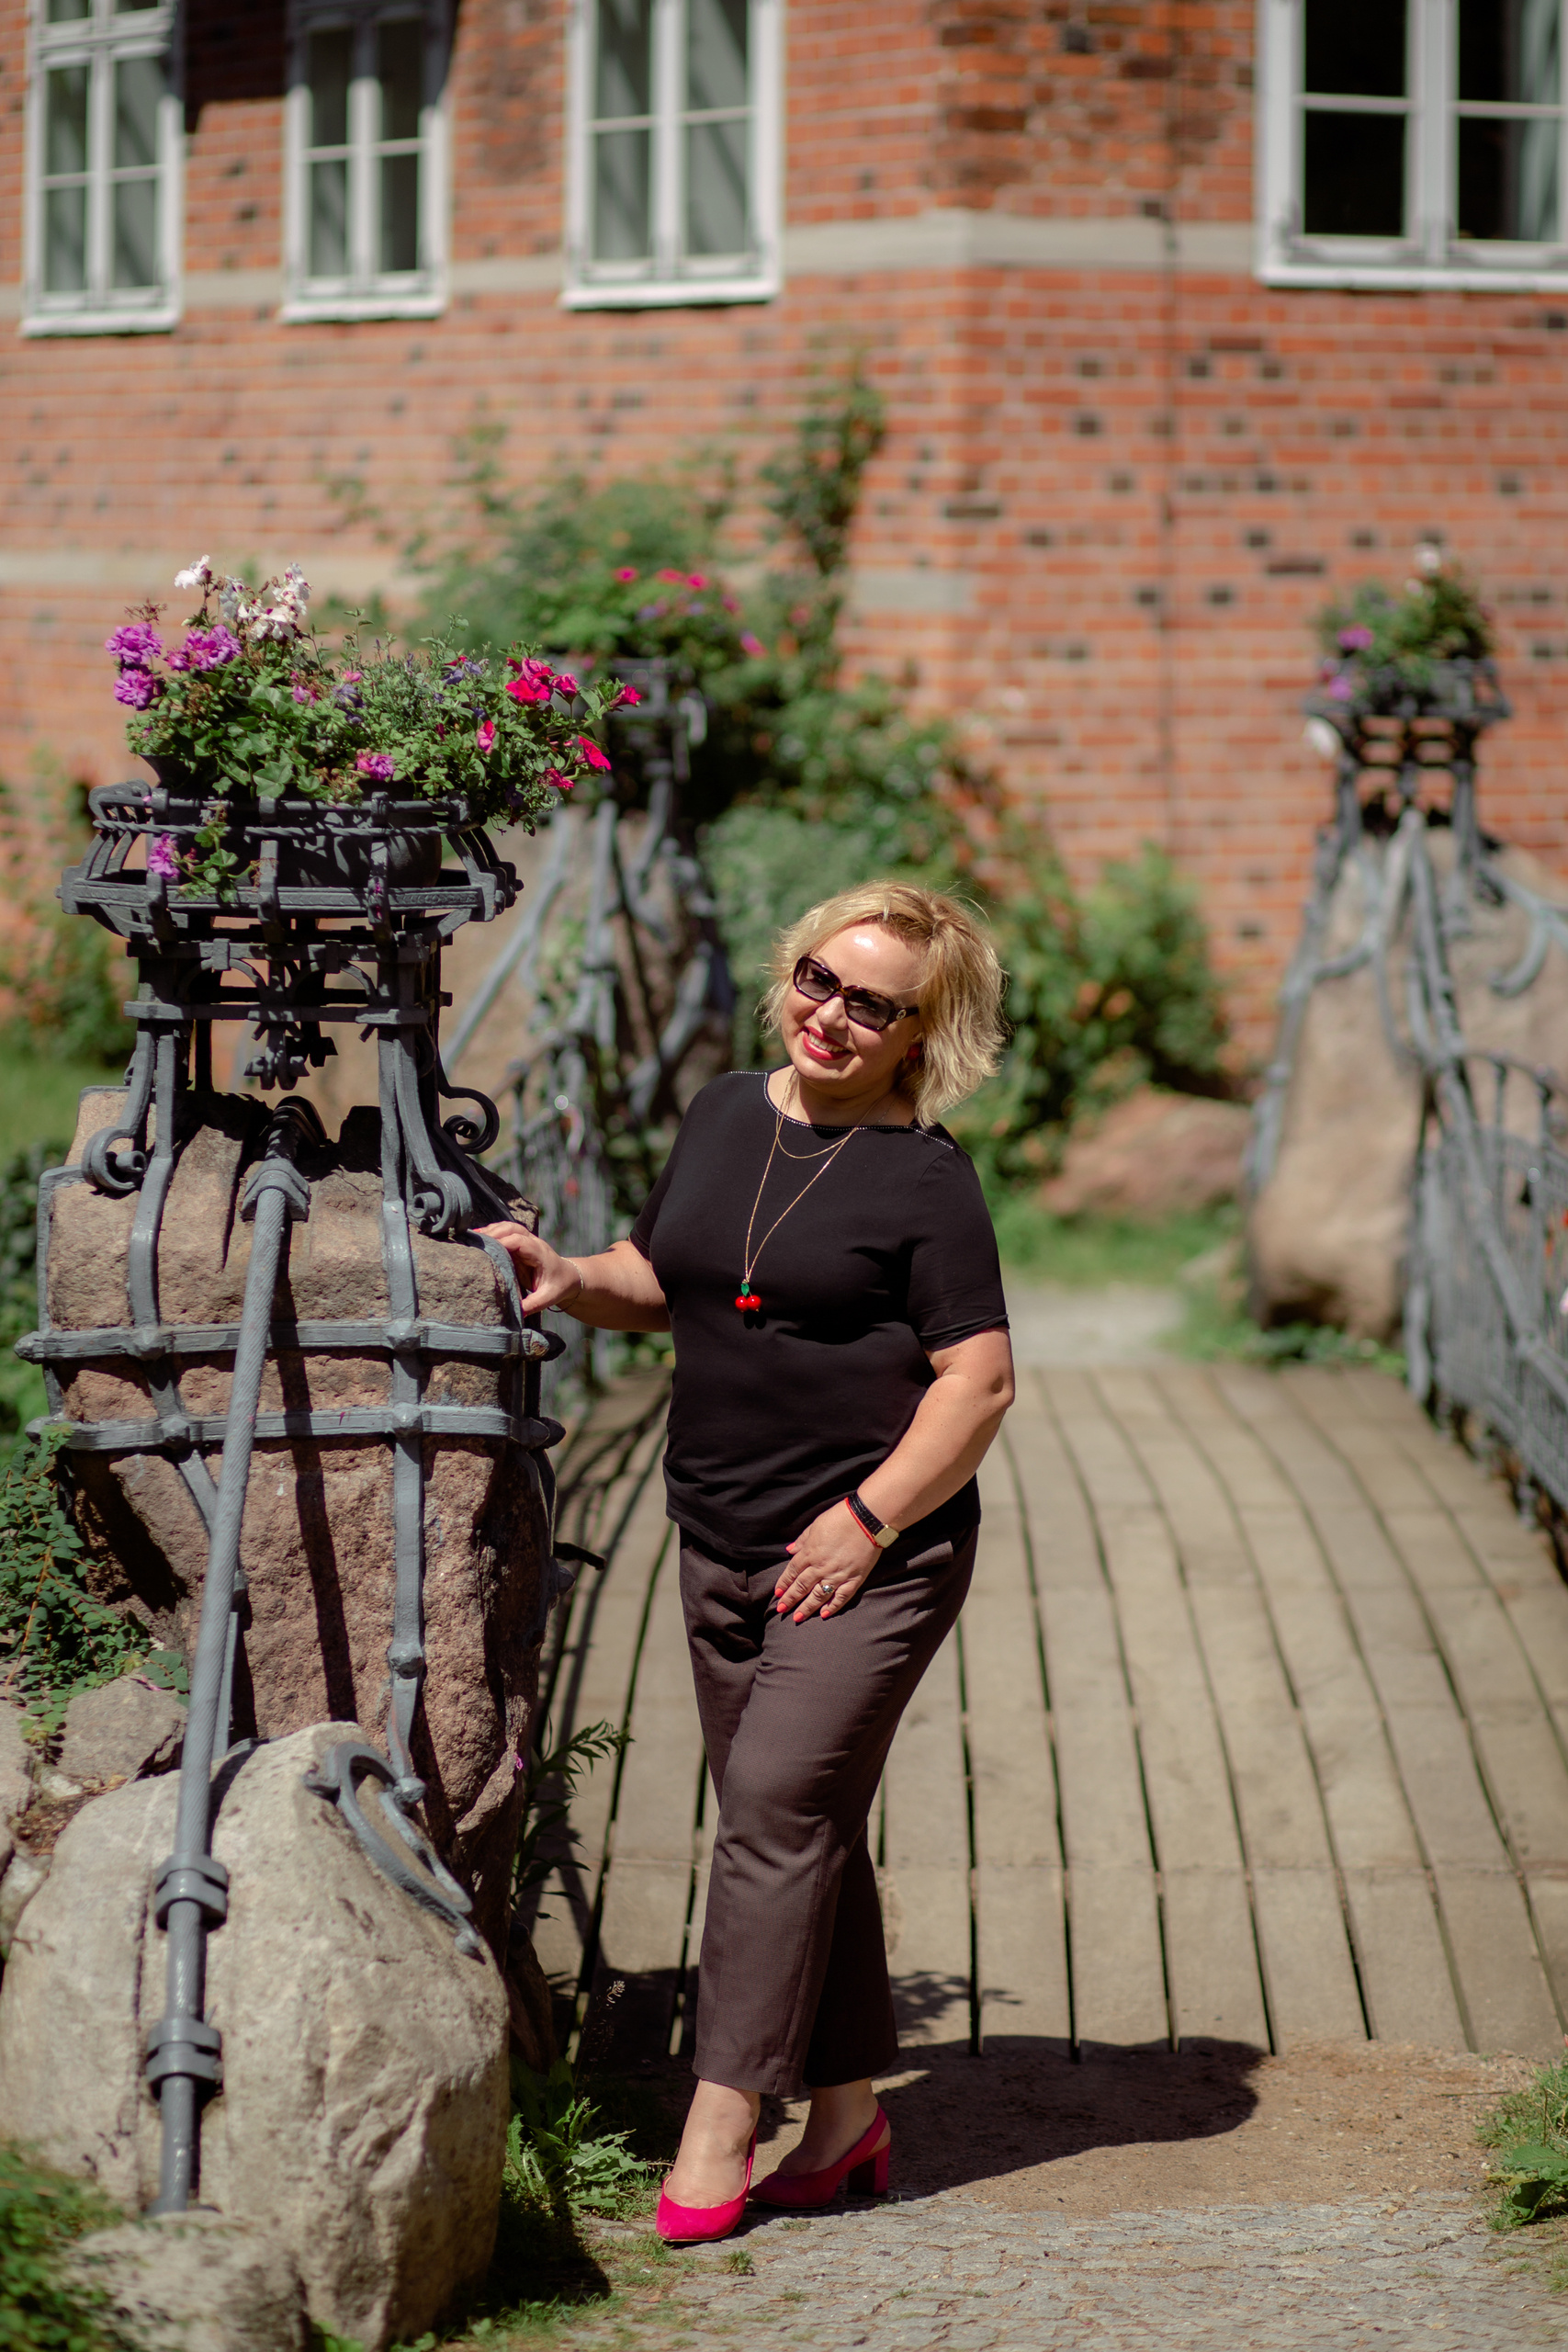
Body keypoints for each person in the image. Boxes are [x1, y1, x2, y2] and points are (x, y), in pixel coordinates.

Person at [479, 881, 1014, 2243]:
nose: (832, 1016)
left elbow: (980, 1384)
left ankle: (725, 2114)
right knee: (802, 1827)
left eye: (874, 1005)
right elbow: (667, 1274)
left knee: (770, 1810)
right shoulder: (725, 1110)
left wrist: (869, 1519)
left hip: (863, 1560)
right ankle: (847, 2120)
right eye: (820, 981)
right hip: (713, 1533)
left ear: (920, 1036)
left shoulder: (928, 1183)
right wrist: (563, 1274)